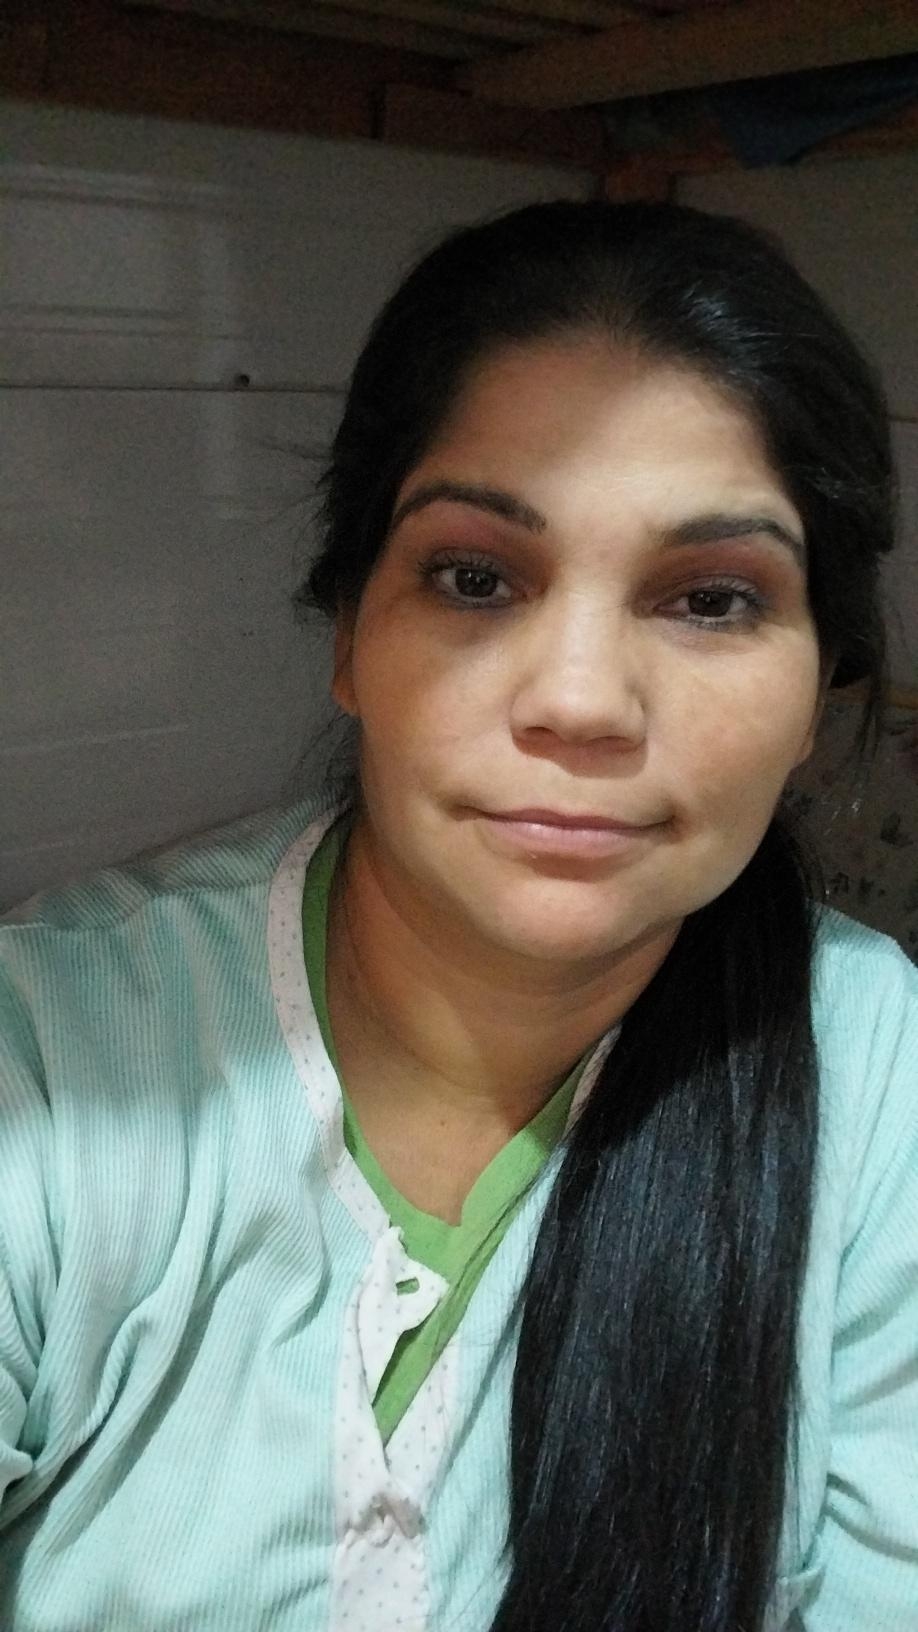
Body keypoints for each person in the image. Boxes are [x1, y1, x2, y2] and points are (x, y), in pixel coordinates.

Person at [0, 200, 915, 1632]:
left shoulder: (878, 1077)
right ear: (350, 634)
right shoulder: (50, 1057)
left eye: (711, 600)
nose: (579, 701)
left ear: (818, 692)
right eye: (476, 578)